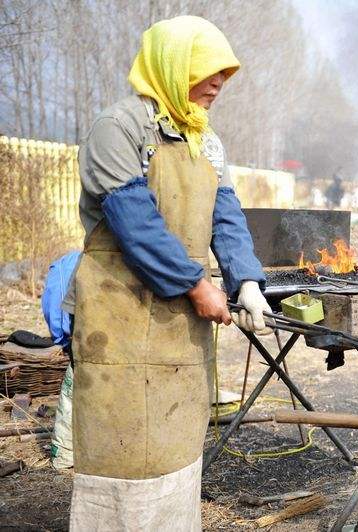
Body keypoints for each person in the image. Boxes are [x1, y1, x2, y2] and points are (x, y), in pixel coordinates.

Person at [63, 16, 273, 529]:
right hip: (119, 319)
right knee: (124, 452)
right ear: (173, 67)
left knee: (175, 450)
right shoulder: (120, 128)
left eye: (225, 73)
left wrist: (245, 282)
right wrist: (198, 285)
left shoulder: (208, 142)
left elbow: (226, 216)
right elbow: (136, 225)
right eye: (208, 71)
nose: (219, 83)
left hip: (180, 327)